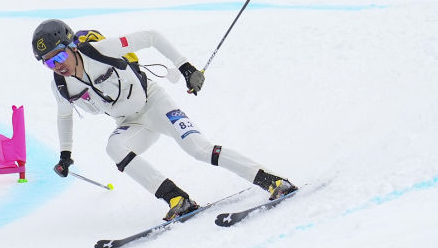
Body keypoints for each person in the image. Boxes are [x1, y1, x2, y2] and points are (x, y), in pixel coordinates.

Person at [32, 18, 295, 221]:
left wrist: (185, 67)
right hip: (130, 123)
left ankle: (272, 180)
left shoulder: (101, 50)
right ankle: (177, 199)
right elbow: (64, 115)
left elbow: (152, 37)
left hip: (155, 104)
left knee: (199, 149)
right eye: (49, 63)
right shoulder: (61, 85)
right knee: (114, 147)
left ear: (72, 46)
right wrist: (65, 155)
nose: (58, 65)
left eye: (60, 56)